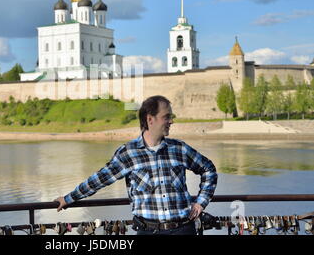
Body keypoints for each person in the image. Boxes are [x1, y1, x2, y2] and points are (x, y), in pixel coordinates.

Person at [54, 95, 218, 235]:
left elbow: (208, 169)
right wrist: (68, 198)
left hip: (184, 229)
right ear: (150, 119)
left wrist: (200, 202)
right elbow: (99, 179)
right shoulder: (128, 153)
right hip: (148, 231)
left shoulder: (179, 149)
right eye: (166, 117)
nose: (171, 121)